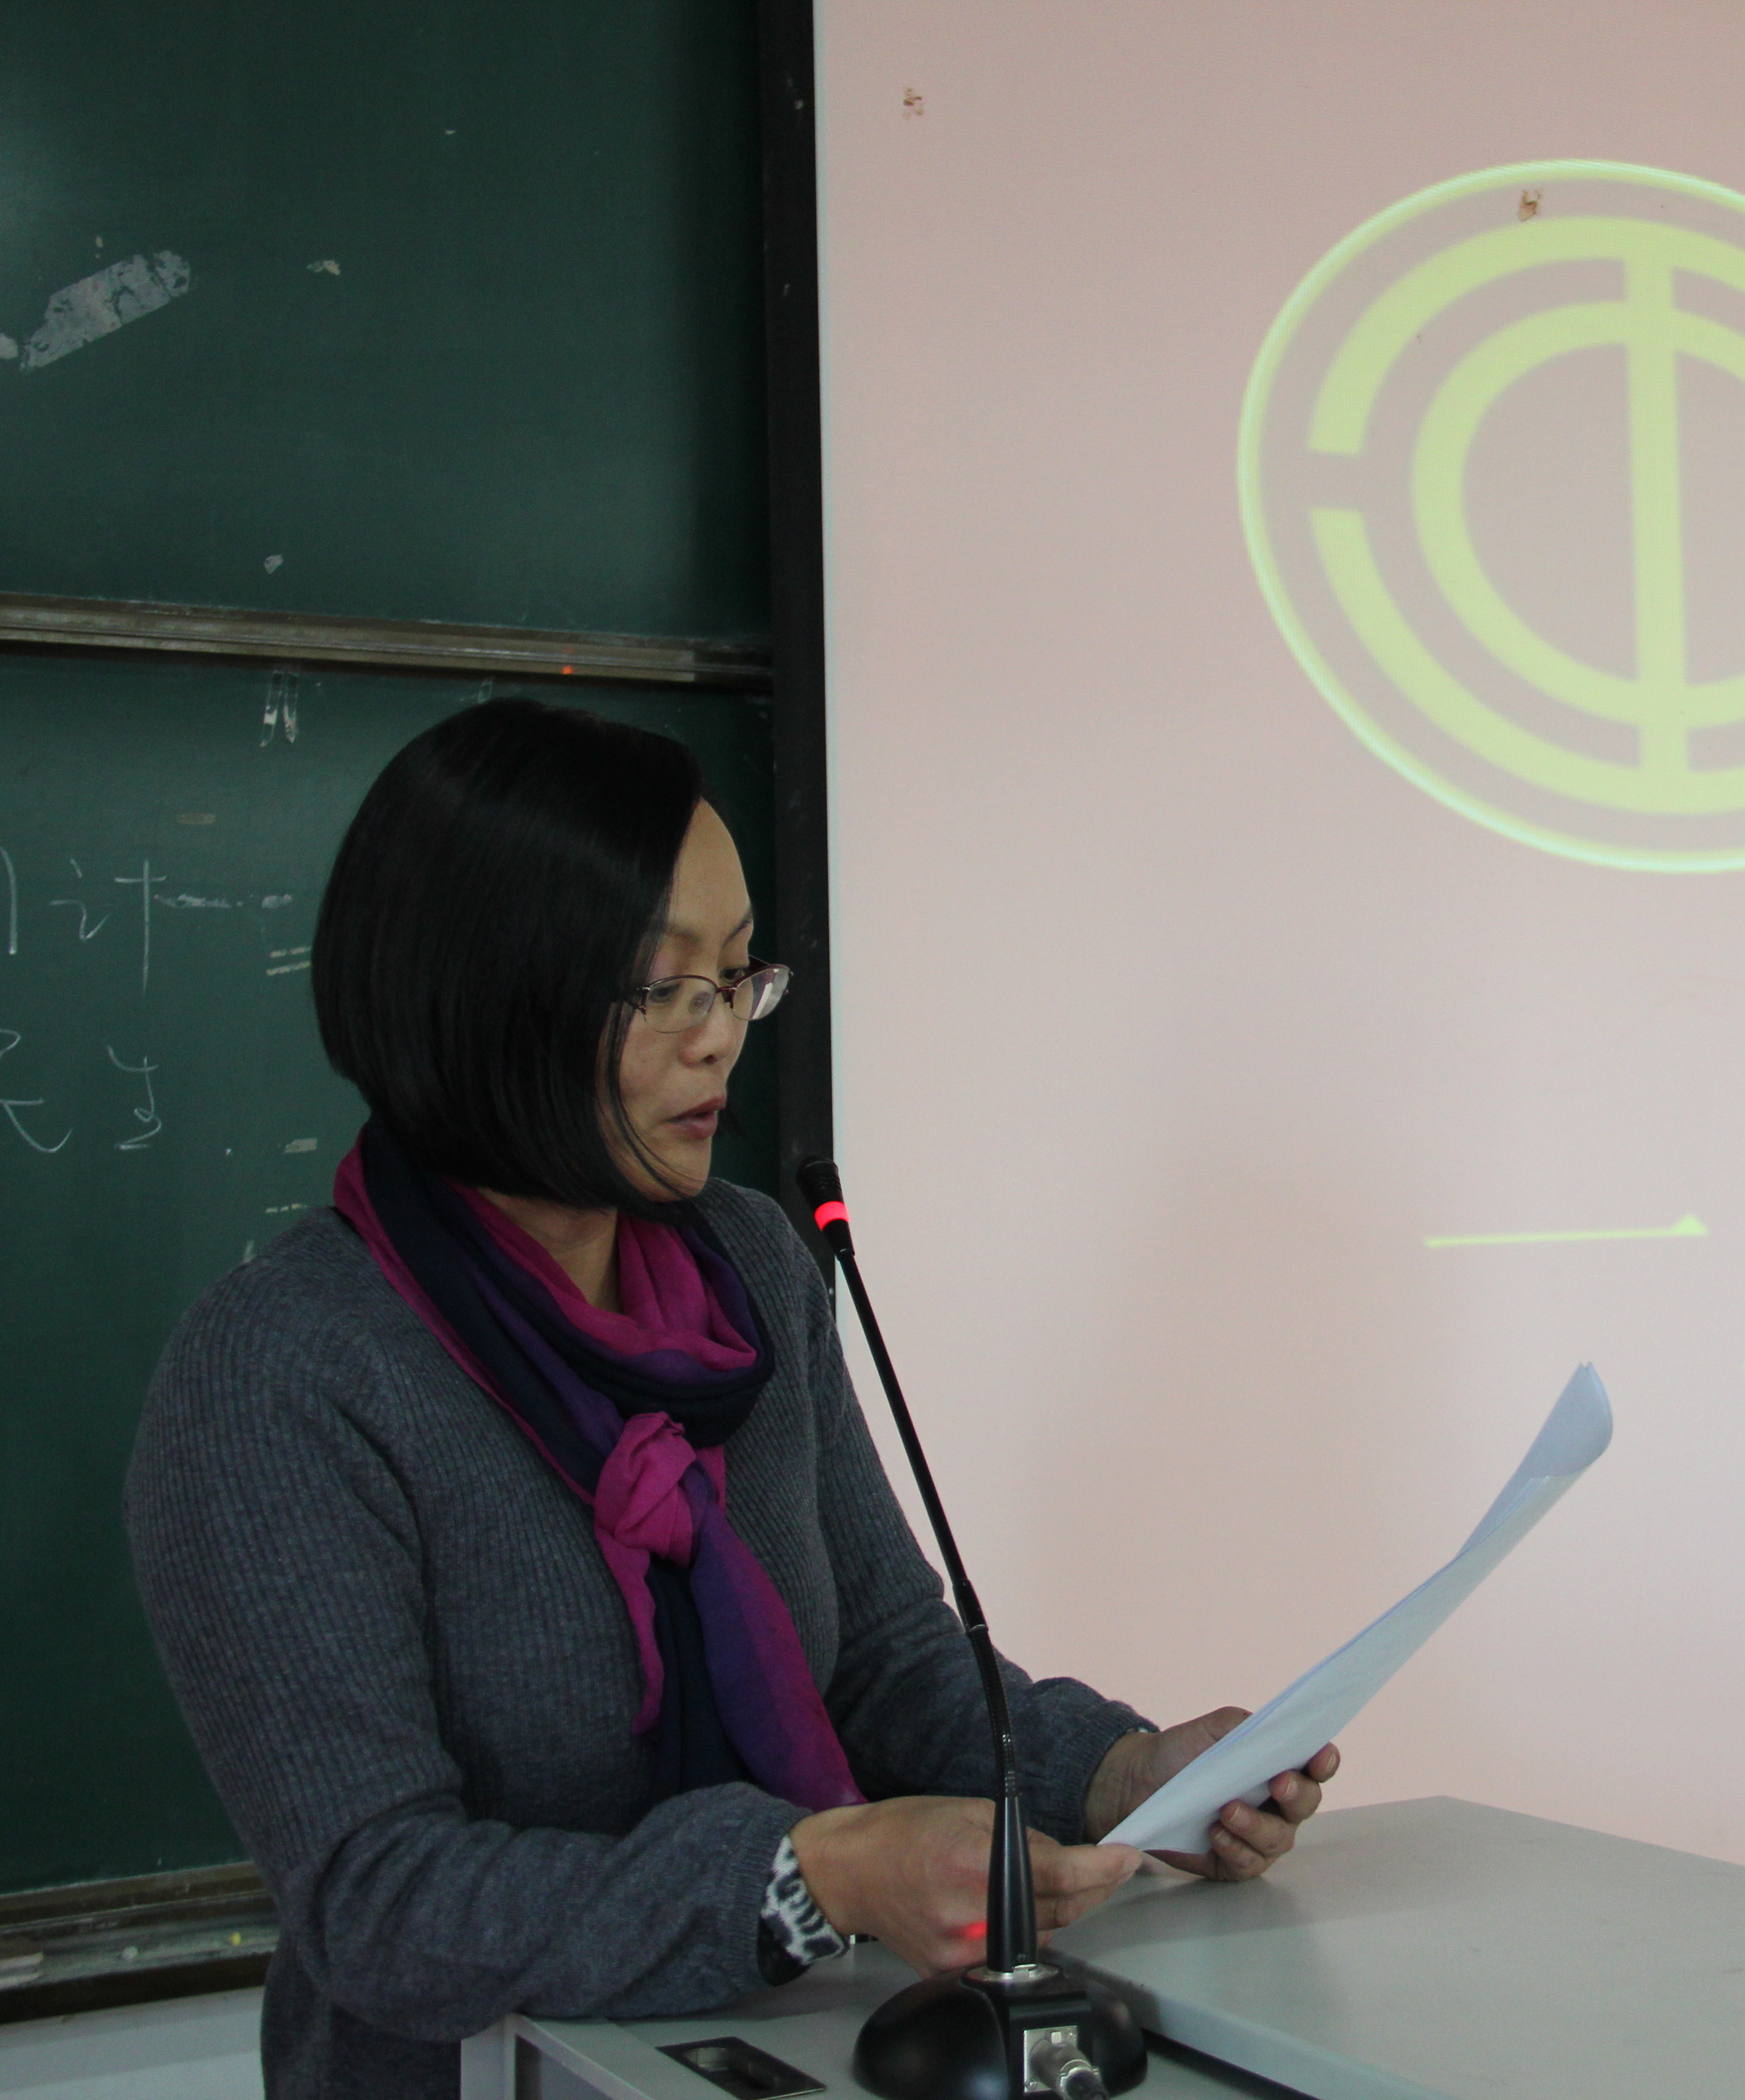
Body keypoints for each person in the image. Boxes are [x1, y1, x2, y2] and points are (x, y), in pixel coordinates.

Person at [126, 699, 1335, 2100]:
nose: (720, 1039)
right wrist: (808, 1874)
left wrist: (1124, 1776)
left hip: (790, 2050)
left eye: (739, 976)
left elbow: (886, 1665)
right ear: (486, 992)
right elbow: (379, 1903)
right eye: (665, 988)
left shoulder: (749, 1264)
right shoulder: (283, 1373)